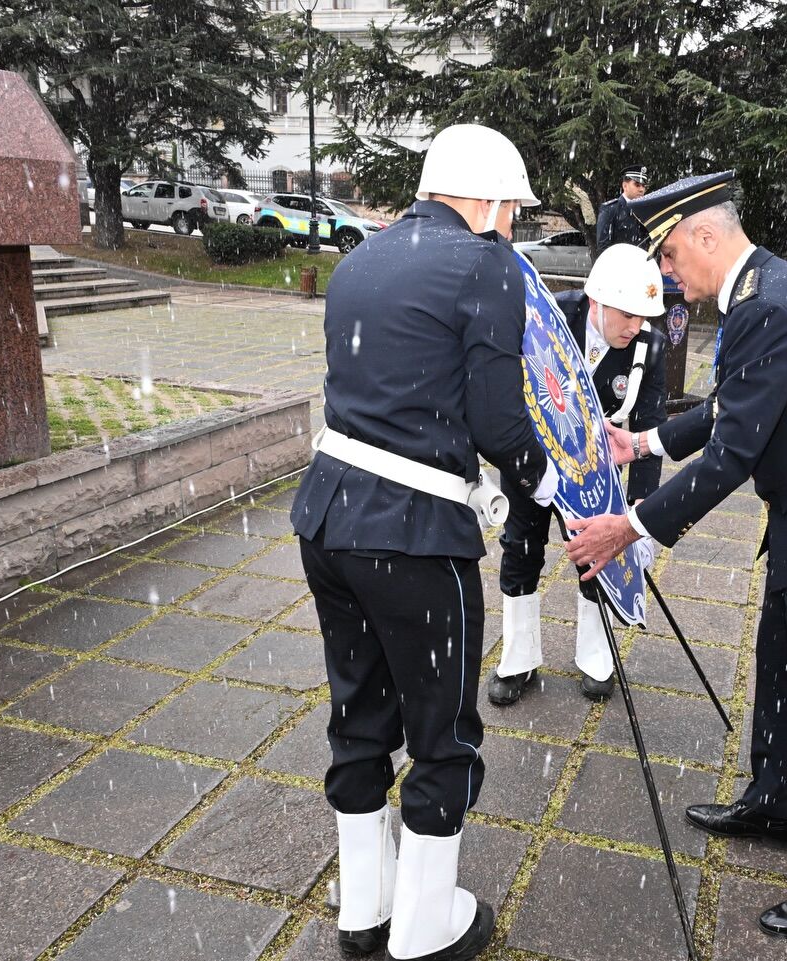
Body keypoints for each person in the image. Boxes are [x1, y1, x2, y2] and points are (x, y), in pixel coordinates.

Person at [563, 170, 787, 942]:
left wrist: (628, 526)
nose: (667, 276)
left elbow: (730, 454)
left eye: (666, 258)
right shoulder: (763, 294)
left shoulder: (768, 306)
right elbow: (733, 403)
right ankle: (771, 799)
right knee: (778, 660)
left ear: (702, 234)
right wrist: (645, 441)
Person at [289, 123, 557, 961]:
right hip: (410, 537)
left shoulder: (362, 255)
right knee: (444, 735)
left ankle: (363, 912)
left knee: (361, 714)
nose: (512, 223)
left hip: (327, 520)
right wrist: (539, 479)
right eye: (512, 207)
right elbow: (495, 415)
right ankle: (423, 931)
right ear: (483, 199)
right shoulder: (486, 264)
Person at [489, 243, 669, 706]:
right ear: (596, 300)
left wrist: (640, 516)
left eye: (644, 315)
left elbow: (648, 432)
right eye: (627, 312)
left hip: (594, 471)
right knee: (520, 550)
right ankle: (519, 657)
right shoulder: (547, 320)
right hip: (533, 461)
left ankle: (595, 658)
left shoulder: (649, 347)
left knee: (597, 558)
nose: (636, 326)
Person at [595, 164, 650, 254]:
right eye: (637, 185)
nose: (641, 189)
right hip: (619, 265)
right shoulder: (610, 209)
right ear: (625, 186)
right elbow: (603, 247)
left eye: (643, 186)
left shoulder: (644, 210)